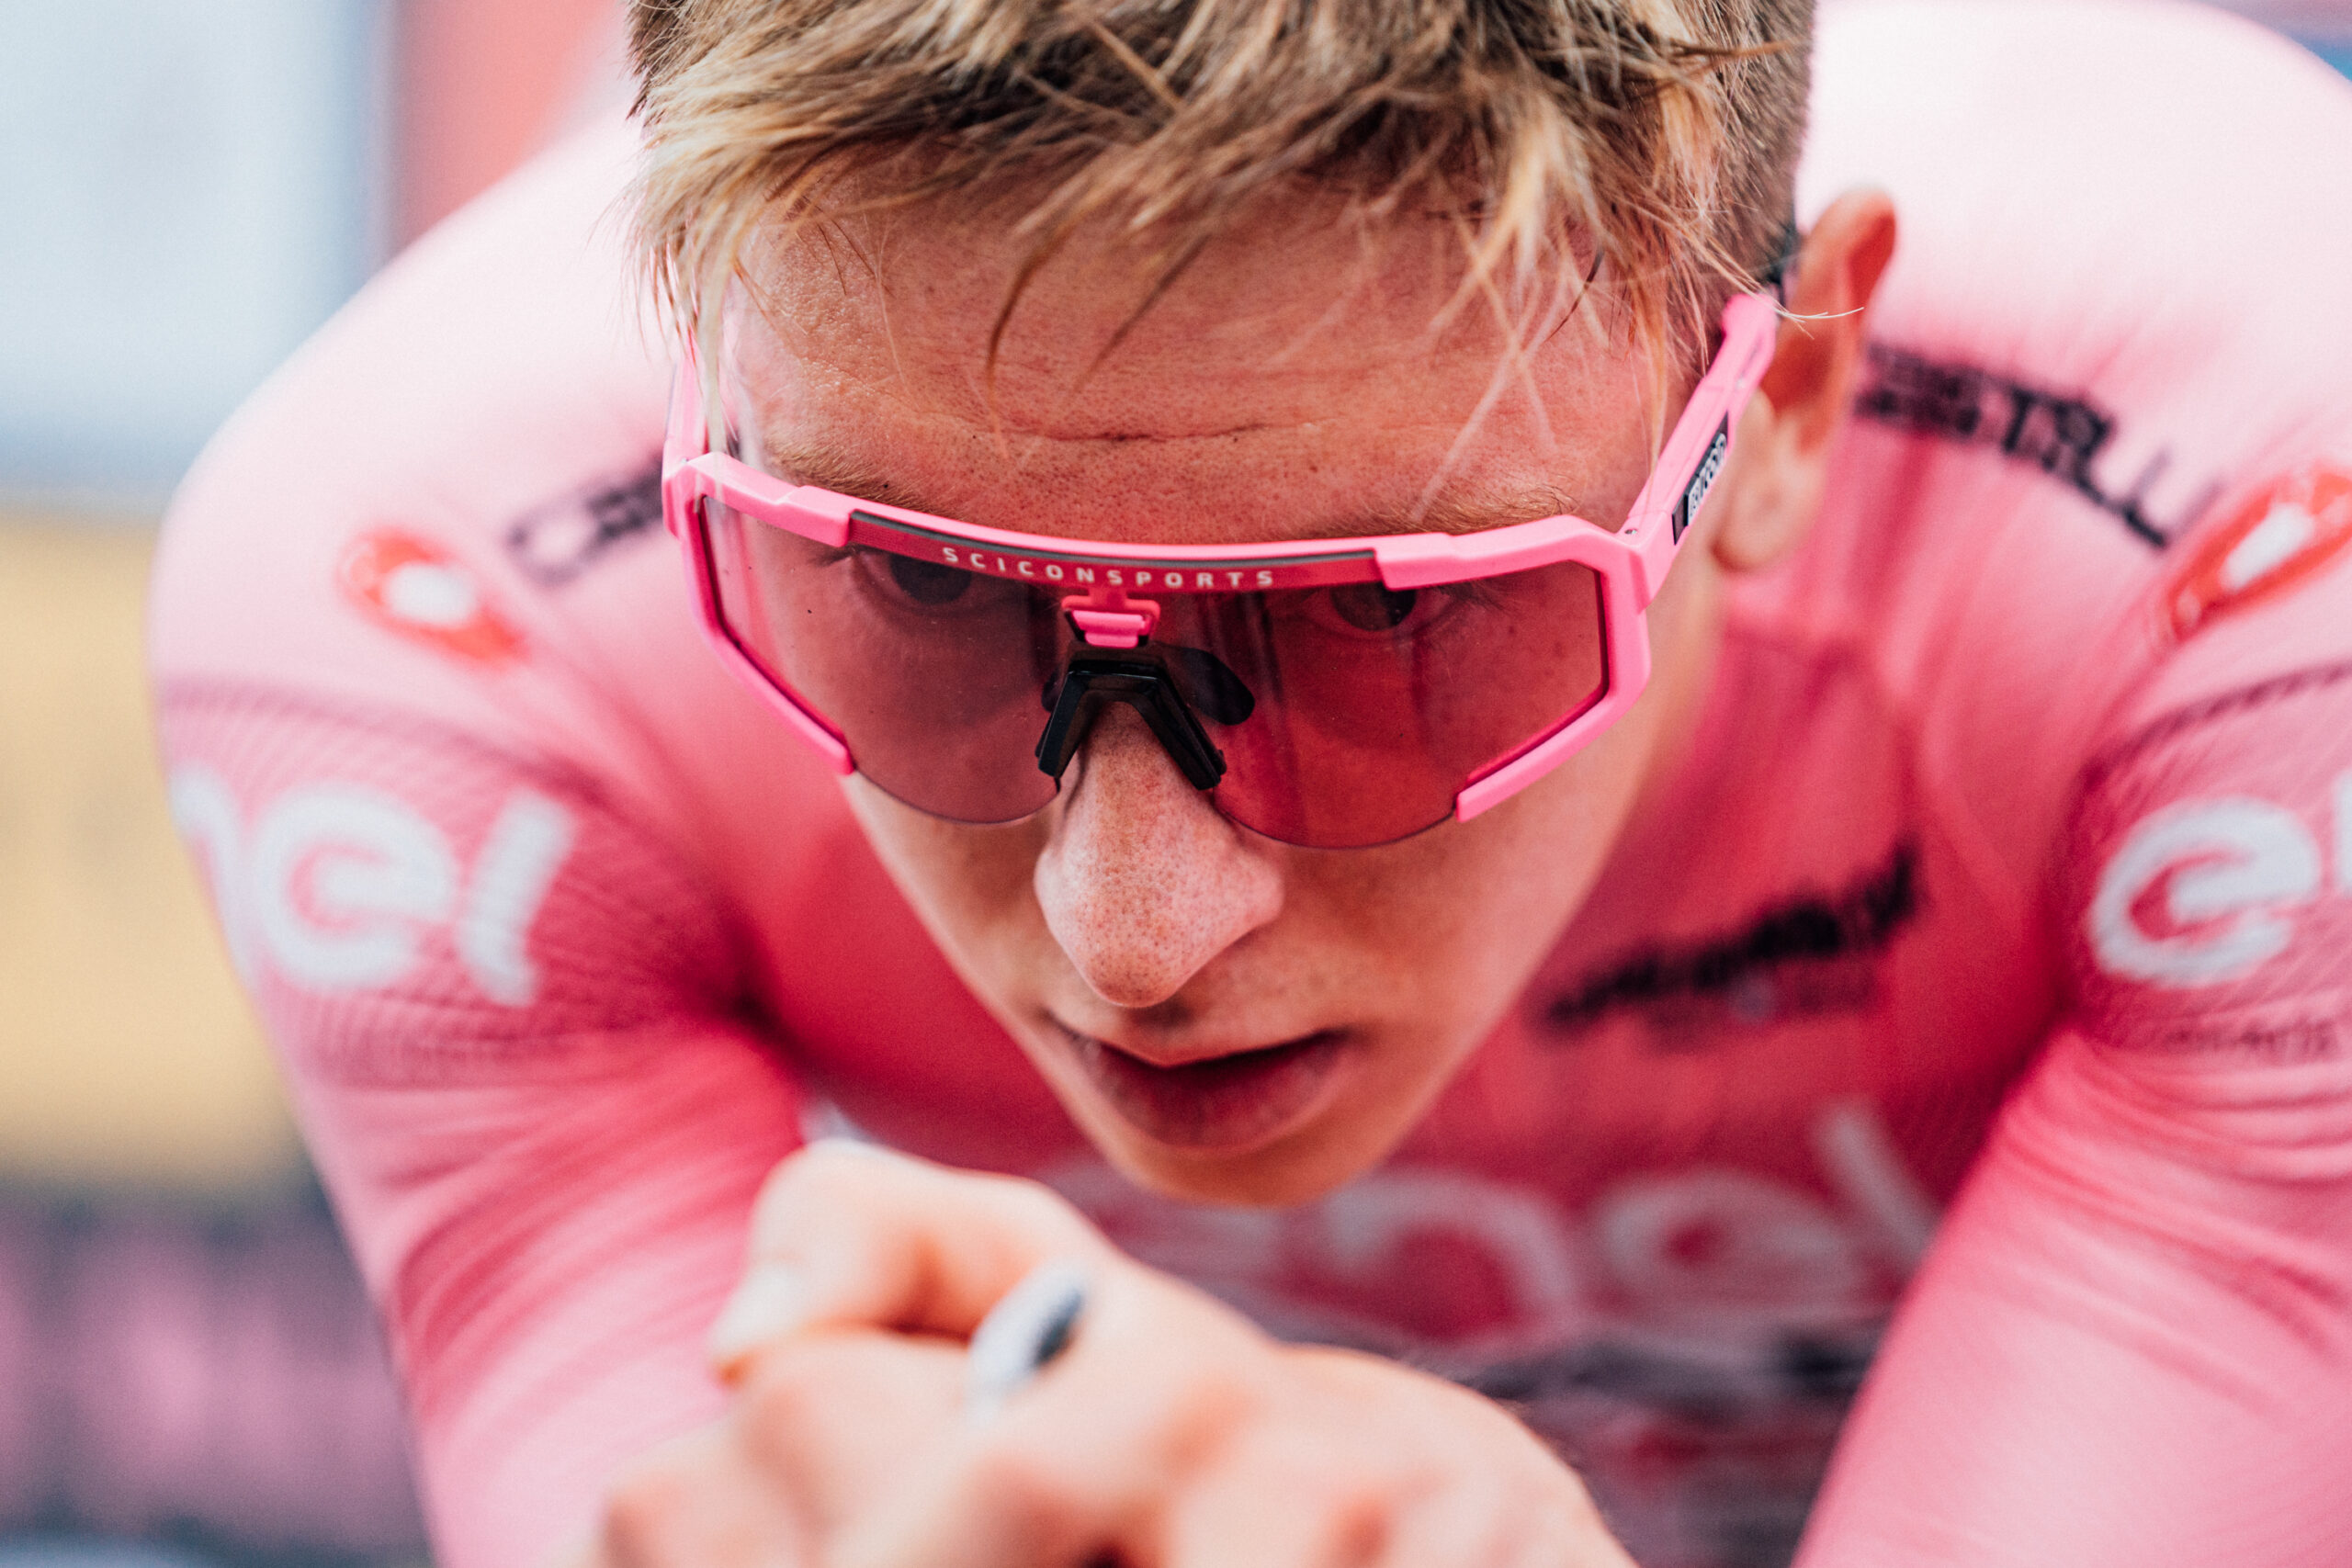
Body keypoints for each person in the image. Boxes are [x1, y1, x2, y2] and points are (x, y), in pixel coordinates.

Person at [148, 0, 2352, 1564]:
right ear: (709, 374)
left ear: (1778, 405)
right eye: (909, 591)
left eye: (1391, 624)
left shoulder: (2260, 528)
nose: (1128, 930)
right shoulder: (425, 614)